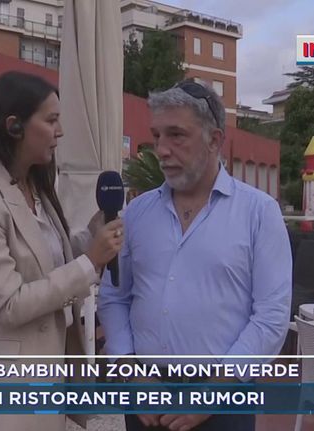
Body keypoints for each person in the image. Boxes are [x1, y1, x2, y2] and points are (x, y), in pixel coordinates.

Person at [98, 79, 292, 431]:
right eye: (157, 136)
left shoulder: (259, 212)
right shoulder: (137, 213)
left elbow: (272, 315)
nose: (161, 149)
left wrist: (214, 391)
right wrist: (130, 372)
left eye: (176, 135)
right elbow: (114, 295)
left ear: (214, 140)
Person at [0, 71, 124, 431]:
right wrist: (90, 262)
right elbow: (9, 304)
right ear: (14, 126)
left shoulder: (37, 187)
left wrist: (93, 235)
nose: (60, 131)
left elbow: (47, 261)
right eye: (51, 120)